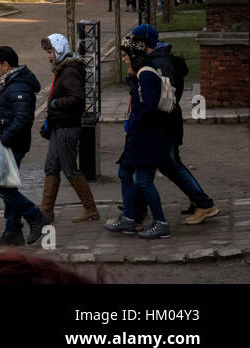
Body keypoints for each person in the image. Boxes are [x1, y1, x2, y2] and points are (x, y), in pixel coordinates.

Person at [136, 25, 219, 225]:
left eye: (137, 41)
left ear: (144, 43)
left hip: (165, 124)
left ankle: (203, 202)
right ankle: (198, 200)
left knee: (167, 165)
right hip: (167, 123)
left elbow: (167, 99)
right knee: (169, 165)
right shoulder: (159, 60)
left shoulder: (161, 64)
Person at [106, 30, 171, 238]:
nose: (124, 59)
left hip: (146, 136)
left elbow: (150, 106)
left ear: (134, 56)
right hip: (142, 134)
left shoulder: (145, 74)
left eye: (126, 55)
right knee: (126, 173)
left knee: (142, 180)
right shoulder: (142, 73)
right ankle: (129, 218)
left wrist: (134, 123)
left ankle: (160, 222)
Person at [0, 46, 46, 246]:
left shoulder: (18, 86)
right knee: (6, 184)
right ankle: (12, 230)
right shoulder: (11, 82)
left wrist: (4, 139)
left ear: (6, 65)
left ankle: (35, 216)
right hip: (9, 141)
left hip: (12, 143)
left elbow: (23, 118)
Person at [37, 34, 98, 223]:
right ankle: (46, 212)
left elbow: (77, 99)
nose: (48, 56)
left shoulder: (69, 71)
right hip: (59, 126)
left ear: (59, 50)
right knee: (51, 166)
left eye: (50, 52)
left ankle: (90, 209)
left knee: (70, 168)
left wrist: (55, 104)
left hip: (67, 127)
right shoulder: (64, 68)